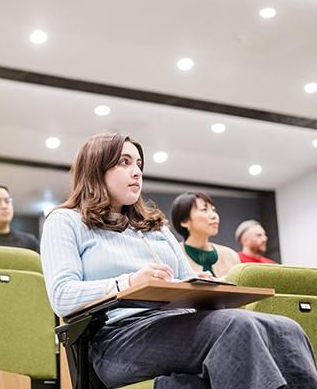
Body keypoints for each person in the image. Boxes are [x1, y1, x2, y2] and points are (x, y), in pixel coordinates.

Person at [40, 132, 316, 388]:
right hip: (117, 338)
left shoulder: (153, 226)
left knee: (286, 329)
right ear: (95, 167)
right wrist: (129, 282)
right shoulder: (66, 220)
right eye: (124, 162)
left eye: (138, 164)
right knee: (236, 326)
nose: (136, 171)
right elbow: (63, 296)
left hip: (175, 324)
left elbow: (184, 279)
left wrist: (202, 285)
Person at [170, 191, 240, 278]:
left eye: (213, 210)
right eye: (204, 209)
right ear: (184, 221)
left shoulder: (231, 256)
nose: (214, 216)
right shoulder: (173, 255)